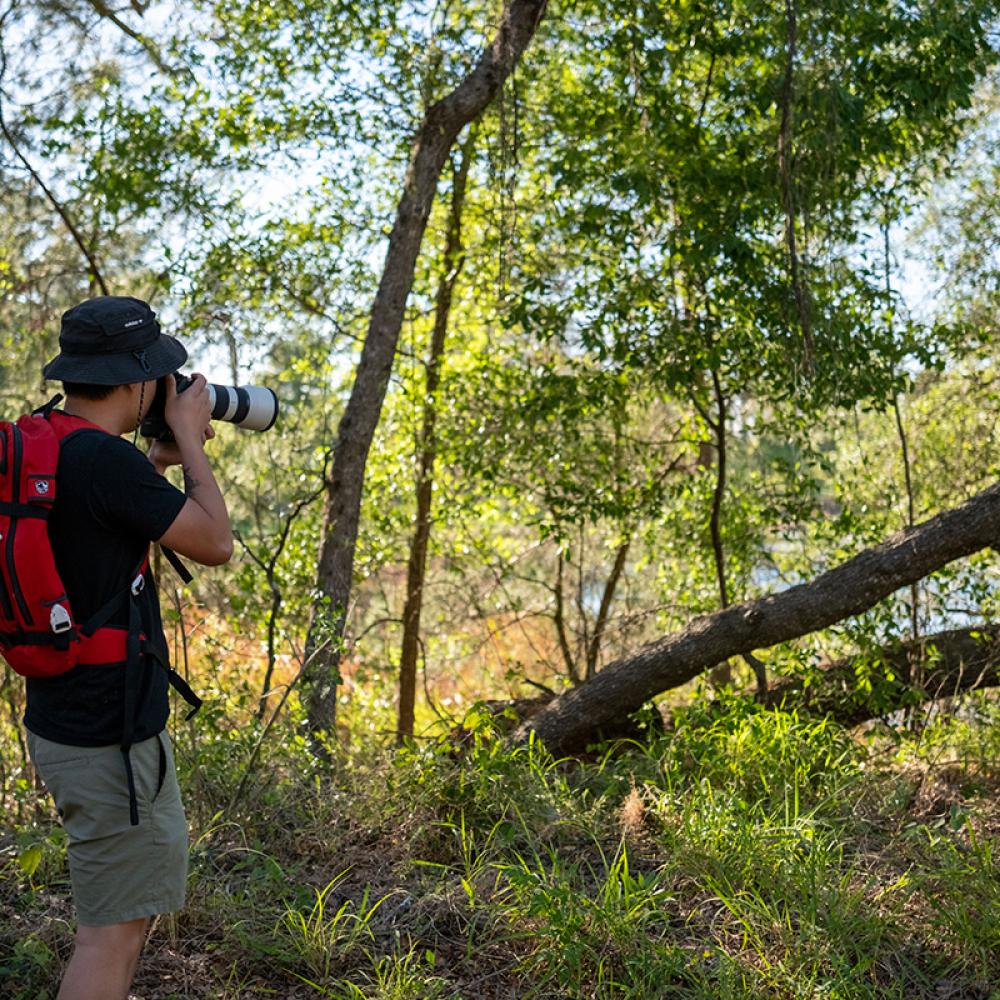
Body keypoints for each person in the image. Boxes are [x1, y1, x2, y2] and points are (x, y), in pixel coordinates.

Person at [26, 295, 233, 1000]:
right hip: (105, 738)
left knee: (121, 918)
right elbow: (215, 543)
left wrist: (158, 461)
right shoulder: (106, 465)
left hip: (69, 715)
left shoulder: (55, 442)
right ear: (134, 380)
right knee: (109, 934)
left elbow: (102, 524)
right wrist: (194, 448)